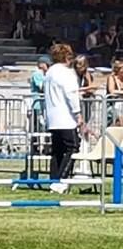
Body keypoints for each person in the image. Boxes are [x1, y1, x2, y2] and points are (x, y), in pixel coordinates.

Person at [43, 44, 83, 191]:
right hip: (66, 117)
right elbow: (71, 94)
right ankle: (62, 179)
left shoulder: (49, 73)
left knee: (57, 150)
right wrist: (78, 113)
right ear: (67, 57)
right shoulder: (66, 73)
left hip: (52, 117)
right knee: (72, 147)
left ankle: (54, 179)